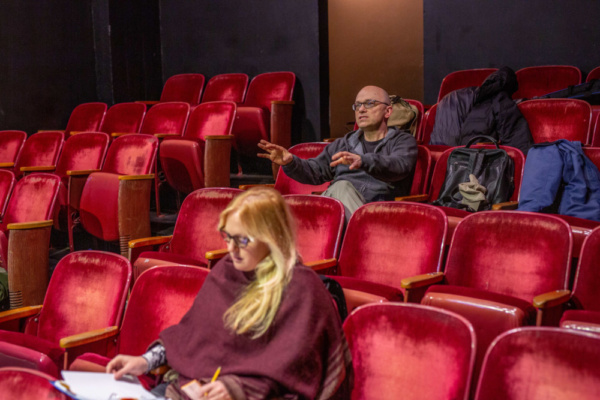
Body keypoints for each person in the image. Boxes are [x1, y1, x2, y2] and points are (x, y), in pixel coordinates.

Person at [106, 187, 353, 400]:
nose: (231, 248)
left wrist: (236, 389)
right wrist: (146, 361)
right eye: (227, 236)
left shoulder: (302, 288)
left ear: (272, 238)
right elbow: (190, 338)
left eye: (242, 240)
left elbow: (298, 372)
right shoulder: (226, 271)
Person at [258, 85, 418, 223]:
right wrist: (290, 162)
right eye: (358, 105)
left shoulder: (402, 141)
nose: (362, 109)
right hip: (340, 209)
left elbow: (399, 166)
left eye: (369, 103)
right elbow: (316, 172)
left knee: (341, 187)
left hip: (378, 210)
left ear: (388, 111)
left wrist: (364, 161)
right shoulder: (344, 143)